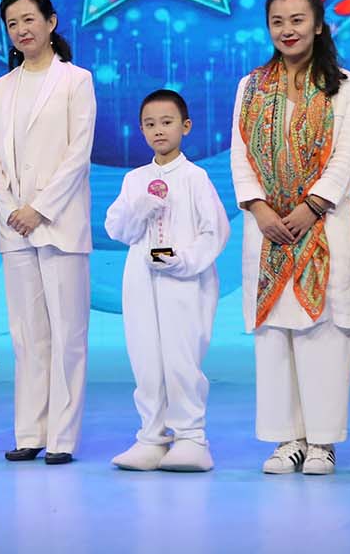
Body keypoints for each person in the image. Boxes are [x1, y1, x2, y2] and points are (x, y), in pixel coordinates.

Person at [231, 0, 350, 476]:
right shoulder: (251, 86)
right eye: (277, 21)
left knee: (322, 333)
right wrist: (259, 209)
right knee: (275, 337)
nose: (287, 30)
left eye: (297, 20)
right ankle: (287, 439)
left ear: (318, 25)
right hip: (267, 230)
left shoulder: (343, 85)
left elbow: (346, 155)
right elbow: (240, 154)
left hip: (321, 226)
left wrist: (312, 206)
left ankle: (322, 442)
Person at [0, 0, 97, 465]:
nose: (21, 30)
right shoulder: (2, 87)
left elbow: (78, 154)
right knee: (28, 335)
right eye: (12, 23)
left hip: (60, 224)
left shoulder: (76, 80)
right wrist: (12, 209)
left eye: (29, 19)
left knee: (68, 334)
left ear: (50, 22)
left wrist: (40, 208)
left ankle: (62, 437)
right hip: (15, 229)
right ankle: (30, 432)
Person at [105, 89, 229, 473]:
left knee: (181, 357)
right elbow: (117, 228)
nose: (158, 130)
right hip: (142, 280)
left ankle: (191, 437)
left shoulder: (195, 178)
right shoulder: (135, 180)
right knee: (145, 358)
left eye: (167, 122)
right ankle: (152, 437)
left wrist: (184, 260)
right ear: (141, 130)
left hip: (184, 283)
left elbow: (214, 231)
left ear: (185, 126)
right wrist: (141, 207)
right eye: (150, 124)